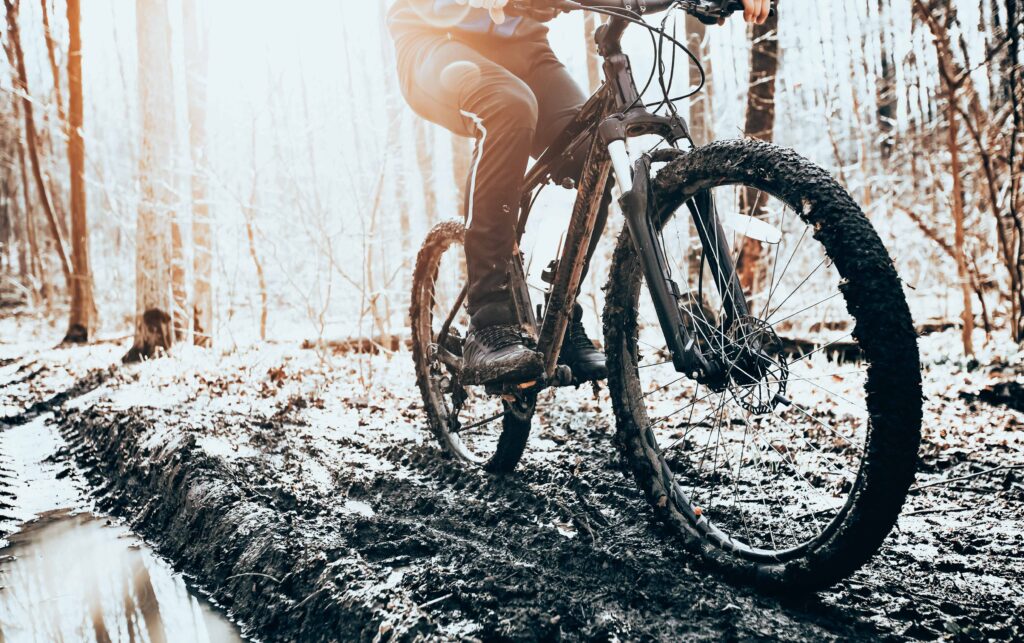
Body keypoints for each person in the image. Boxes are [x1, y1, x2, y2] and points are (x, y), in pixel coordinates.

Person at [387, 0, 770, 386]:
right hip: (434, 40)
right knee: (508, 107)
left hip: (522, 46)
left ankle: (561, 314)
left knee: (594, 148)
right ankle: (488, 322)